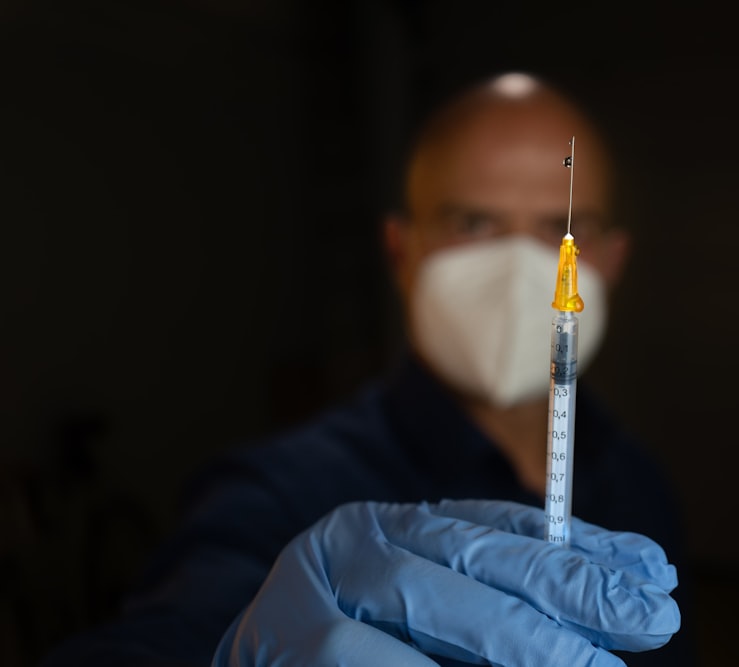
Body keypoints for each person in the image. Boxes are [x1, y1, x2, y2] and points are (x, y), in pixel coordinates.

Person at [42, 73, 692, 666]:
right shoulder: (280, 494)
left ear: (610, 260)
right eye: (475, 223)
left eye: (557, 229)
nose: (523, 270)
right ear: (400, 251)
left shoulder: (635, 474)